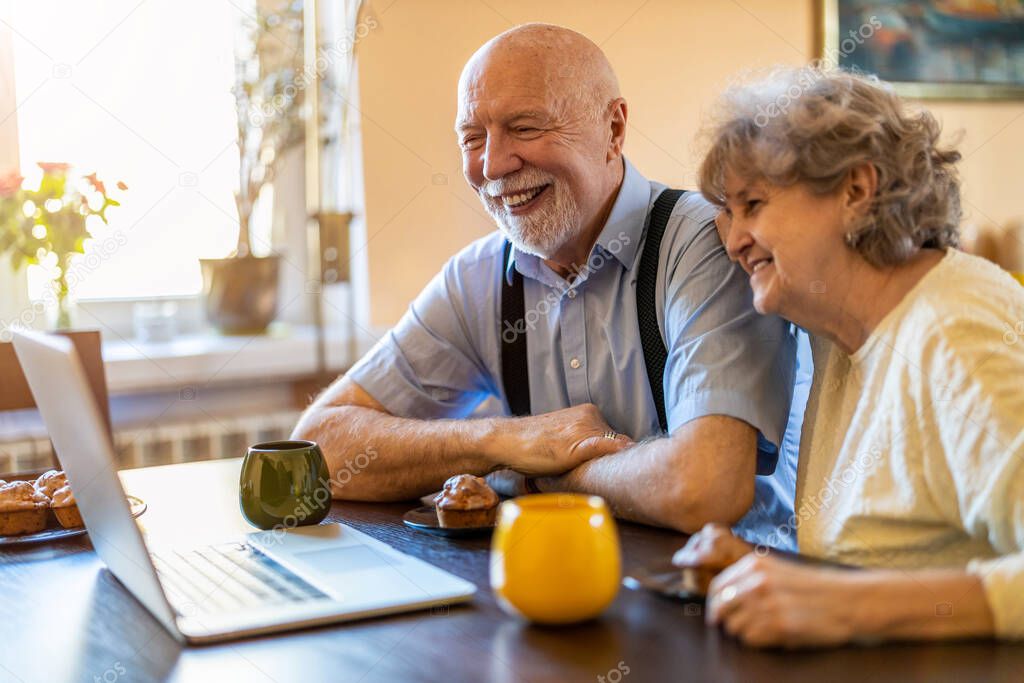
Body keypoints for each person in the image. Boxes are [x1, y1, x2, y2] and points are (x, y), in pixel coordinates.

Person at [293, 24, 807, 538]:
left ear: (614, 129)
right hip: (554, 586)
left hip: (724, 598)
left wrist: (532, 478)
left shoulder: (705, 242)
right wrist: (505, 441)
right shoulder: (477, 278)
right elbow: (317, 449)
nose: (493, 164)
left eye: (525, 128)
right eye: (472, 138)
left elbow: (704, 488)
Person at [674, 65, 1024, 646]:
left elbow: (864, 597)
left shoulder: (956, 333)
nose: (733, 240)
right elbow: (892, 553)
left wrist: (849, 605)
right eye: (726, 216)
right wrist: (779, 575)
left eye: (753, 205)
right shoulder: (840, 341)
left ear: (855, 191)